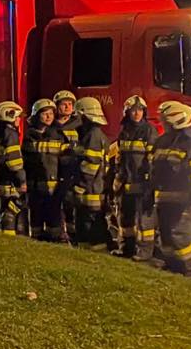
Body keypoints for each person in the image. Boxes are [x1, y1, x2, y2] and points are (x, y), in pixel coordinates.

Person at [151, 100, 191, 276]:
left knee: (183, 239)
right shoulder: (162, 141)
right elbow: (154, 170)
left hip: (182, 202)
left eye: (165, 120)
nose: (162, 123)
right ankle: (173, 271)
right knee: (167, 239)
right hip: (163, 200)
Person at [113, 95, 159, 260]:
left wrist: (149, 182)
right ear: (127, 112)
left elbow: (152, 158)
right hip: (126, 183)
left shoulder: (149, 130)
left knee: (144, 221)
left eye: (140, 110)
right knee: (126, 218)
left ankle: (144, 252)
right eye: (133, 110)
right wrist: (118, 178)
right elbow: (120, 158)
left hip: (141, 183)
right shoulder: (124, 131)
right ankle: (126, 248)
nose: (137, 113)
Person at [70, 97, 112, 252]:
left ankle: (95, 255)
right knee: (92, 224)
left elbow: (91, 165)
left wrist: (79, 187)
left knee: (90, 226)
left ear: (84, 116)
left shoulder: (92, 135)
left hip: (90, 190)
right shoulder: (96, 134)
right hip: (96, 188)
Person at [23, 99, 64, 242]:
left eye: (51, 113)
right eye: (45, 113)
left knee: (54, 218)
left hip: (54, 187)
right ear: (36, 115)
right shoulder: (29, 136)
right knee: (35, 218)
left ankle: (55, 241)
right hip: (34, 185)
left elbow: (65, 160)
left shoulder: (58, 135)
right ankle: (36, 241)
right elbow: (25, 162)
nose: (48, 116)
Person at [0, 101, 27, 236]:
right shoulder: (11, 134)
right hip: (10, 181)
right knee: (10, 213)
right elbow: (15, 162)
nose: (19, 120)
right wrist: (22, 181)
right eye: (17, 117)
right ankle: (8, 239)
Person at [52, 90, 81, 243]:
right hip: (54, 171)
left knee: (70, 205)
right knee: (55, 205)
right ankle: (58, 235)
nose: (68, 107)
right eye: (64, 104)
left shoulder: (79, 125)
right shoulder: (50, 126)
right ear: (56, 106)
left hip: (71, 172)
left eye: (70, 104)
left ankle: (72, 235)